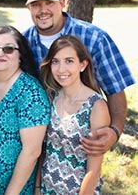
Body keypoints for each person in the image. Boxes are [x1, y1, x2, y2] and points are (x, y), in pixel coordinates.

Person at [23, 0, 135, 155]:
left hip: (80, 143)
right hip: (36, 141)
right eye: (36, 4)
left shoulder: (94, 38)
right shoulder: (22, 43)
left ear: (62, 2)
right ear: (28, 7)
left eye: (49, 3)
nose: (43, 10)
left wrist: (114, 131)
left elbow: (115, 89)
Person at [0, 25, 51, 194]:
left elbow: (31, 151)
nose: (0, 53)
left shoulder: (30, 91)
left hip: (13, 189)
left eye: (9, 49)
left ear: (20, 56)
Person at [37, 35, 110, 194]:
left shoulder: (96, 106)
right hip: (46, 190)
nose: (61, 69)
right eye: (55, 61)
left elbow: (94, 170)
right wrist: (37, 188)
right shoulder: (53, 97)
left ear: (83, 65)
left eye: (69, 61)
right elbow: (45, 151)